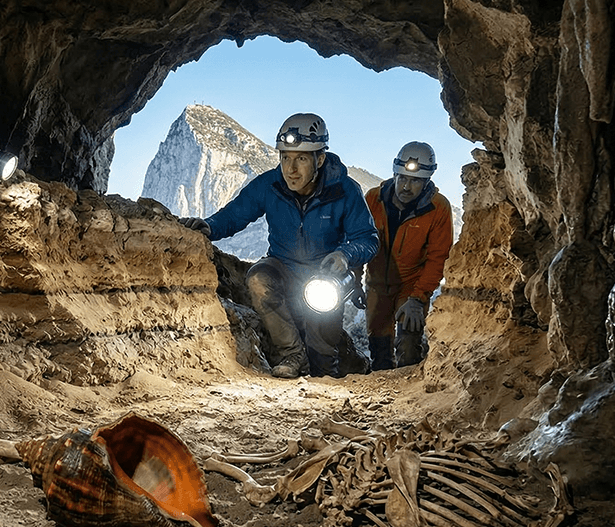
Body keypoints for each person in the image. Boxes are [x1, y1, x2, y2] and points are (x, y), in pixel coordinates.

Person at [180, 113, 378, 378]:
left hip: (325, 275)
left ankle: (324, 375)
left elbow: (368, 238)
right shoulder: (270, 185)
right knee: (258, 278)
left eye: (301, 159)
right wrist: (210, 226)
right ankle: (291, 354)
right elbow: (236, 213)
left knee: (322, 357)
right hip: (283, 268)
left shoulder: (344, 190)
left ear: (319, 159)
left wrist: (345, 254)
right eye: (285, 157)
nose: (290, 169)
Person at [363, 141, 454, 370]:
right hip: (377, 285)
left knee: (408, 343)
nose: (406, 186)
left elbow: (438, 258)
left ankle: (410, 384)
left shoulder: (438, 208)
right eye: (402, 178)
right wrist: (354, 280)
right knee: (379, 349)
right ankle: (381, 387)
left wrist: (418, 297)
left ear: (427, 181)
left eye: (415, 181)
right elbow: (358, 239)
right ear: (394, 174)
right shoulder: (373, 199)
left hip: (411, 285)